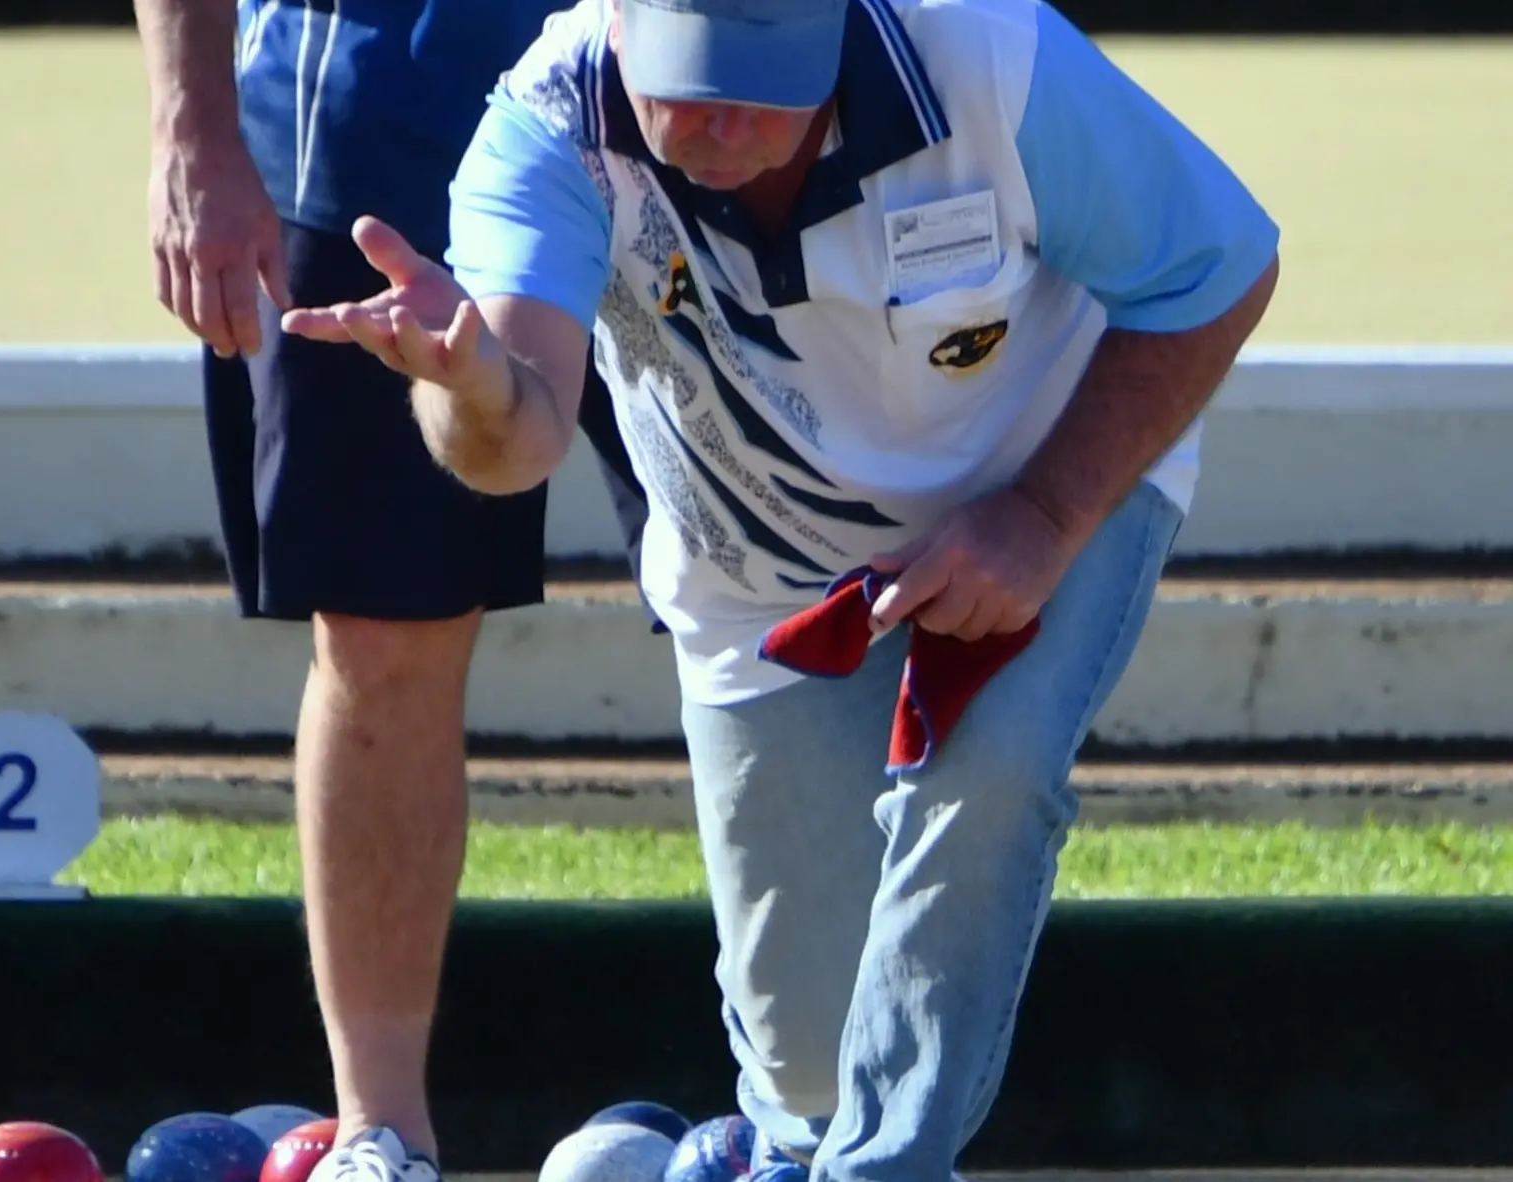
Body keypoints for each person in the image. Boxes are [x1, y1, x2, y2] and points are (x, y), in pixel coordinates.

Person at [282, 0, 1280, 1177]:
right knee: (806, 1067)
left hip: (1041, 473)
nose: (723, 125)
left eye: (764, 85)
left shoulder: (986, 55)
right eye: (689, 87)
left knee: (986, 781)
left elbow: (1216, 266)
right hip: (758, 567)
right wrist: (465, 384)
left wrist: (1045, 516)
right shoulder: (550, 121)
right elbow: (518, 442)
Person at [128, 2, 649, 1181]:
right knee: (384, 632)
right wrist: (189, 125)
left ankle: (842, 1106)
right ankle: (383, 1136)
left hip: (721, 104)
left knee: (796, 606)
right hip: (376, 120)